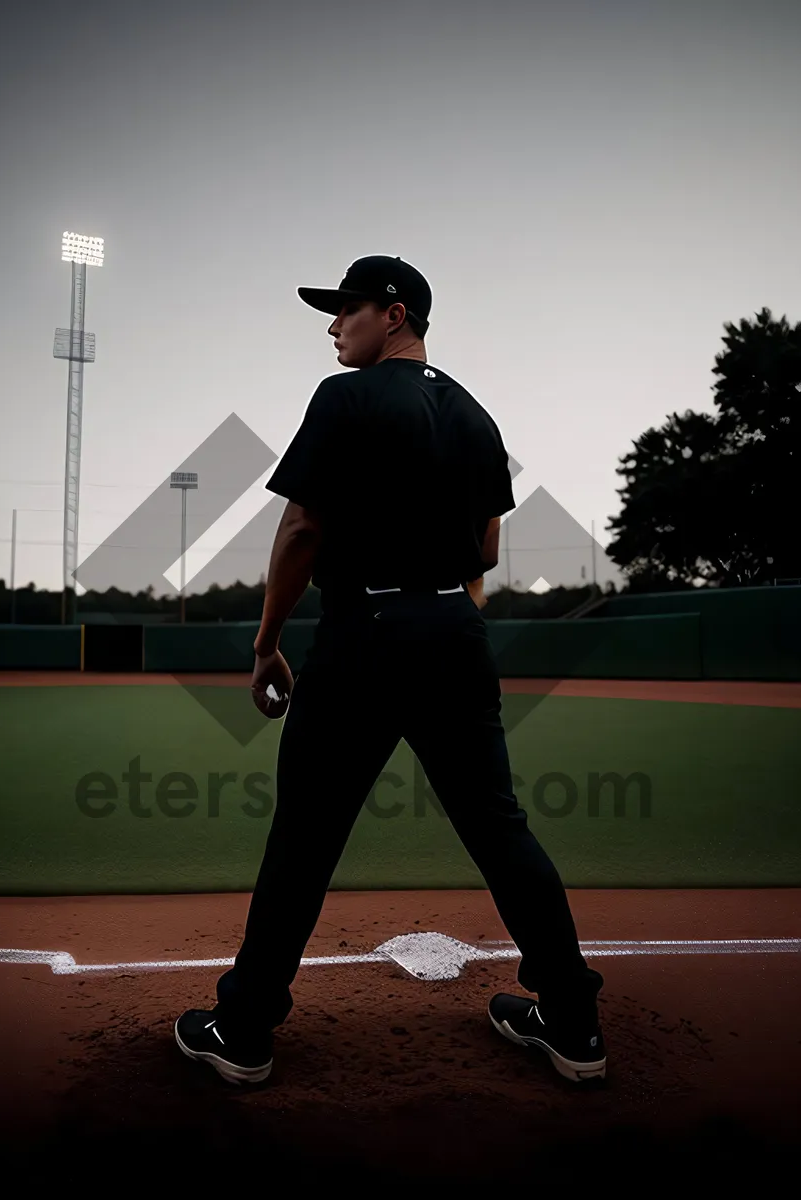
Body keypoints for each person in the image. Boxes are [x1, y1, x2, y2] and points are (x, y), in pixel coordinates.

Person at [174, 255, 605, 1086]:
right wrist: (442, 612)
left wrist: (267, 644)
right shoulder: (476, 415)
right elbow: (484, 550)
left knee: (305, 837)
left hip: (363, 633)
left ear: (395, 315)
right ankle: (574, 1022)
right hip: (455, 632)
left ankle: (244, 1029)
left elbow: (302, 530)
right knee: (499, 828)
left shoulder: (346, 397)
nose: (334, 326)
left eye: (347, 310)